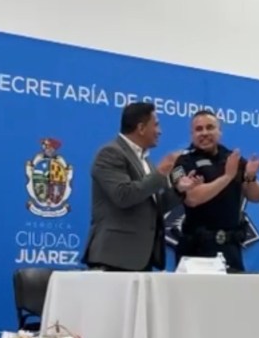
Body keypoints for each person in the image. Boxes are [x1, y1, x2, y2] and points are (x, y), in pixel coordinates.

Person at [171, 110, 259, 338]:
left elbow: (256, 195)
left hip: (230, 248)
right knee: (198, 318)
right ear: (192, 134)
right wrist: (227, 177)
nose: (204, 133)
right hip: (198, 249)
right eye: (198, 129)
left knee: (234, 314)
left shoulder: (231, 157)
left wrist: (249, 176)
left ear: (219, 131)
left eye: (210, 127)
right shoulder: (184, 162)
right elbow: (193, 198)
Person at [83, 102, 197, 271]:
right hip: (114, 258)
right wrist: (160, 173)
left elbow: (153, 207)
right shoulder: (110, 153)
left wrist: (178, 190)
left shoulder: (145, 161)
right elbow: (123, 195)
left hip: (141, 259)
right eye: (156, 125)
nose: (160, 131)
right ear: (141, 128)